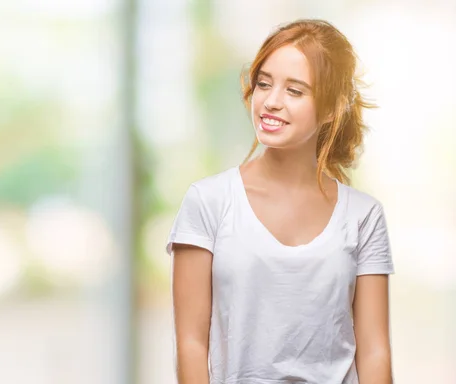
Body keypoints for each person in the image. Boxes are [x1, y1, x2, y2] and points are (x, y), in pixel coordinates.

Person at [166, 19, 395, 384]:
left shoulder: (363, 216)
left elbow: (375, 351)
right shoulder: (208, 202)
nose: (271, 102)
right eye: (264, 83)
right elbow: (191, 343)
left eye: (295, 91)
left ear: (333, 107)